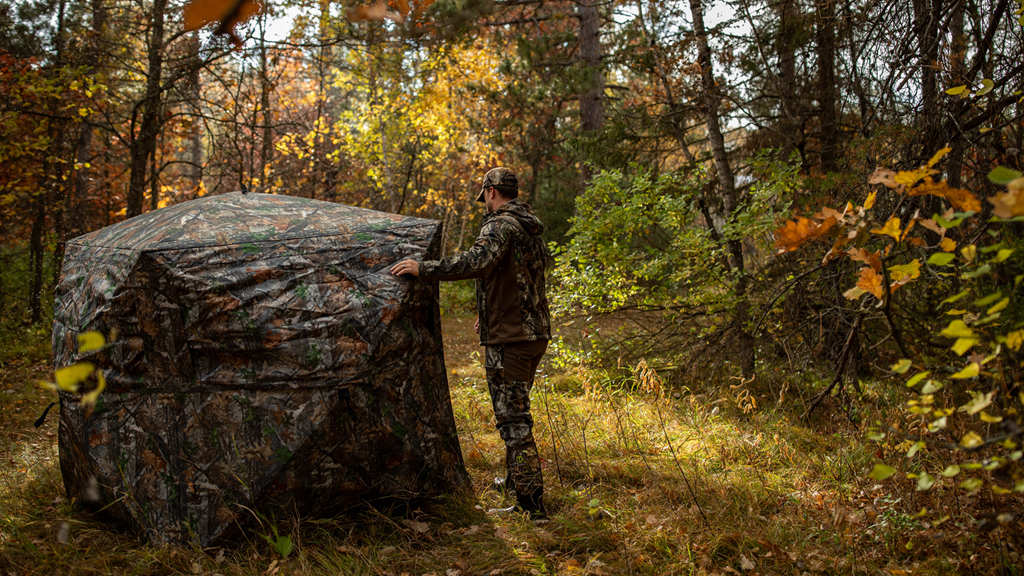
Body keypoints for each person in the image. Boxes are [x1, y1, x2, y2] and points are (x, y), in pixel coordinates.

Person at [390, 167, 551, 518]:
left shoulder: (498, 226)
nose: (485, 204)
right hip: (531, 332)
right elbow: (523, 278)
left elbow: (475, 262)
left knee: (513, 420)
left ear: (492, 191)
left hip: (512, 338)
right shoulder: (529, 227)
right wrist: (489, 311)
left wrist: (424, 268)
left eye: (486, 197)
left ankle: (530, 503)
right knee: (516, 409)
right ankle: (515, 481)